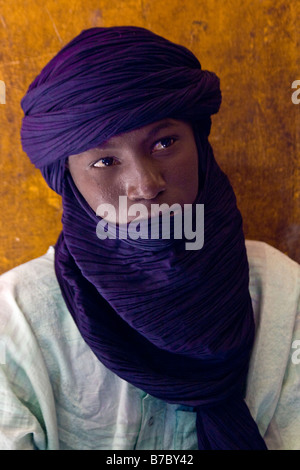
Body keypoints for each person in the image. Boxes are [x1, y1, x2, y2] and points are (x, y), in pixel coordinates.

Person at [0, 26, 299, 451]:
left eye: (164, 142)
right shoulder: (19, 321)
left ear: (199, 142)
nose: (145, 185)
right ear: (68, 180)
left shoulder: (281, 296)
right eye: (104, 160)